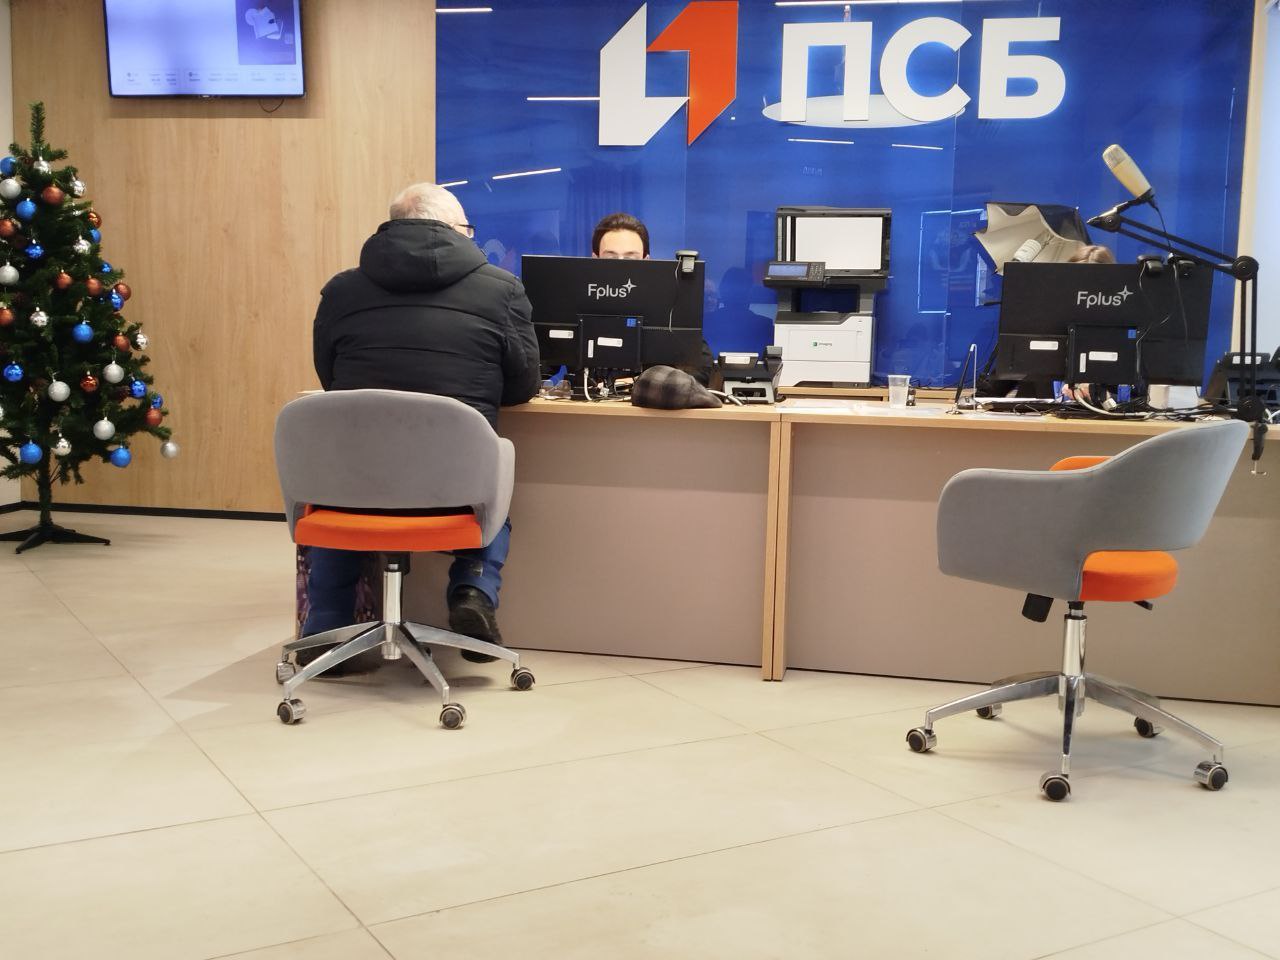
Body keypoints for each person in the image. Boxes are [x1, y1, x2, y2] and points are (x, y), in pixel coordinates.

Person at [306, 182, 540, 672]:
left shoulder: (340, 291)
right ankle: (473, 591)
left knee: (335, 486)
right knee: (491, 484)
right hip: (455, 491)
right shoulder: (502, 290)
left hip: (354, 487)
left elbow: (331, 380)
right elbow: (522, 387)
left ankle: (325, 624)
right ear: (455, 229)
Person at [590, 213, 714, 384]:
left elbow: (700, 368)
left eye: (630, 258)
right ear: (595, 259)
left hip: (647, 399)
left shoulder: (668, 307)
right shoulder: (576, 300)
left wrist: (638, 382)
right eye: (611, 257)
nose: (621, 265)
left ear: (646, 260)